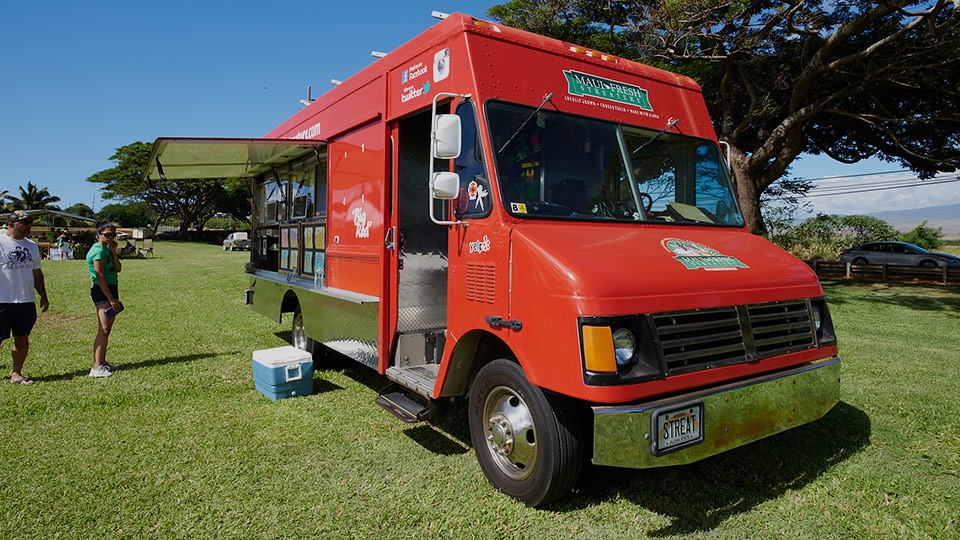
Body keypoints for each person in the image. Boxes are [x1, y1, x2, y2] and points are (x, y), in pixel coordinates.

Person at [0, 210, 50, 385]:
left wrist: (43, 295)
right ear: (11, 224)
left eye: (30, 222)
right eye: (25, 222)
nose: (29, 226)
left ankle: (16, 373)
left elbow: (37, 273)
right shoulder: (1, 242)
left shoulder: (31, 246)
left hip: (25, 300)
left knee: (22, 337)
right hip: (2, 300)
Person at [86, 221, 123, 378]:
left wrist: (114, 252)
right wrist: (111, 299)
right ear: (98, 235)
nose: (110, 238)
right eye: (107, 235)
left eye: (113, 235)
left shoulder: (106, 250)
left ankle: (102, 361)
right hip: (102, 289)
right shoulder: (98, 251)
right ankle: (96, 367)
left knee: (107, 328)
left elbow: (118, 268)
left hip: (111, 287)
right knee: (104, 328)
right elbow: (99, 276)